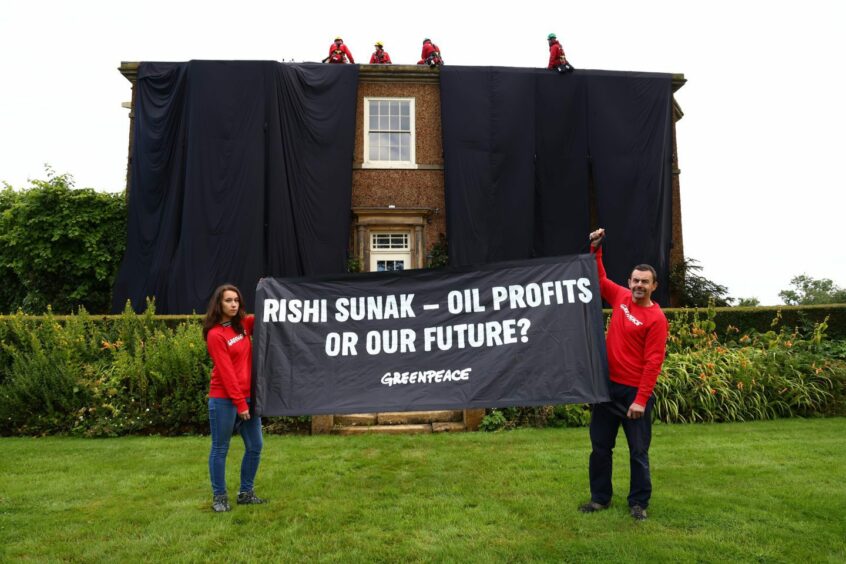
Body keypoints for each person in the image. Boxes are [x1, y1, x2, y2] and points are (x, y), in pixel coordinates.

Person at [579, 228, 668, 521]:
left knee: (638, 452)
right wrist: (596, 248)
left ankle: (638, 503)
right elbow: (600, 279)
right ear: (629, 282)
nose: (639, 285)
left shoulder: (656, 319)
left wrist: (641, 400)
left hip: (634, 394)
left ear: (654, 285)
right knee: (600, 448)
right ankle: (600, 499)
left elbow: (653, 362)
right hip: (607, 390)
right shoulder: (620, 297)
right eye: (635, 281)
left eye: (645, 282)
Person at [203, 284, 266, 512]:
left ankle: (246, 493)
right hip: (224, 399)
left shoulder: (243, 326)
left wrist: (270, 289)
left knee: (255, 445)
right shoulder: (215, 335)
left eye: (236, 300)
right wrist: (240, 403)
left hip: (248, 397)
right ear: (218, 304)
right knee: (220, 447)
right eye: (228, 300)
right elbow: (227, 373)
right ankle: (219, 497)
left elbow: (267, 312)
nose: (233, 304)